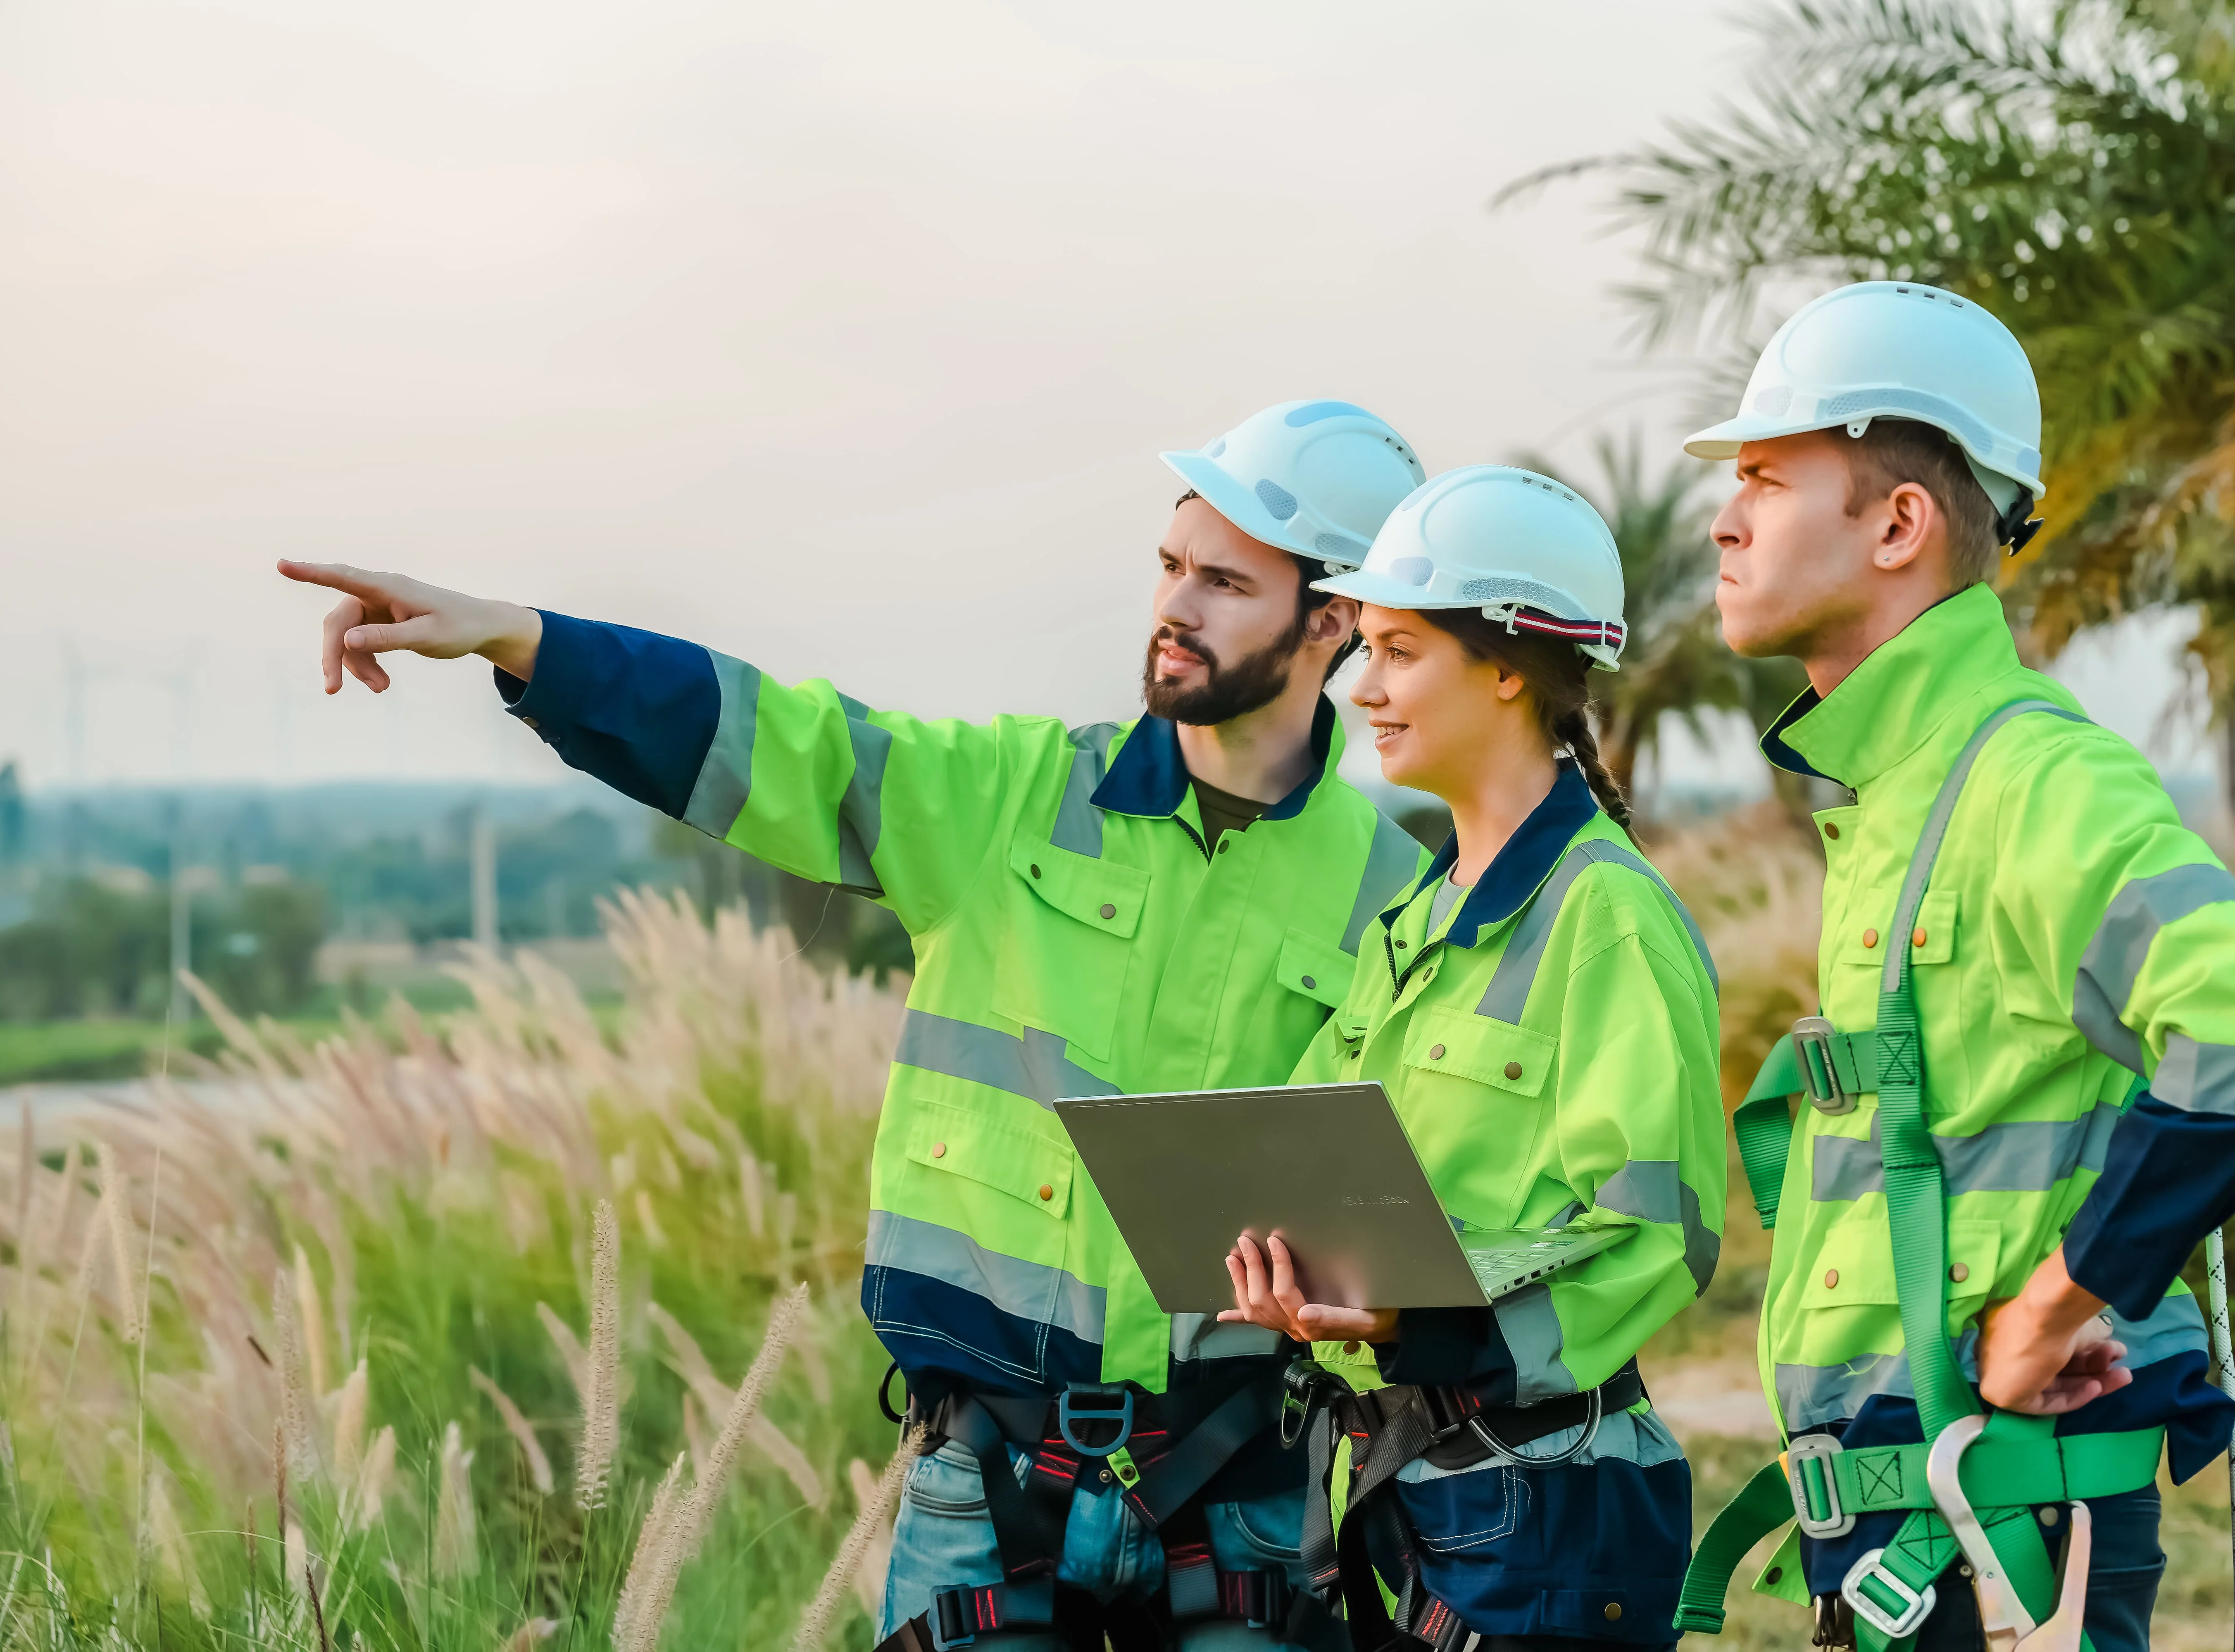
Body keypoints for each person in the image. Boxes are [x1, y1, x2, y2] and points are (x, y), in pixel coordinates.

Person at [279, 400, 1437, 1652]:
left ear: (1332, 622)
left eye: (1224, 582)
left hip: (1240, 1488)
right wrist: (524, 643)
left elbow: (1415, 1195)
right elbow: (777, 740)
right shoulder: (1010, 795)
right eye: (1170, 566)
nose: (1176, 607)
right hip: (985, 1482)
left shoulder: (1396, 890)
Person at [1665, 283, 2235, 1652]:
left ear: (1900, 525)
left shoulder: (2030, 777)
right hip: (1924, 1531)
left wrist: (2053, 1311)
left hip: (2004, 1538)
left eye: (1762, 478)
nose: (1723, 522)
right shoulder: (1903, 783)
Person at [1217, 465, 1727, 1652]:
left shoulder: (1608, 917)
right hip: (1430, 1487)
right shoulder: (1418, 919)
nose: (1366, 688)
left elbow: (1657, 1239)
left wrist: (1415, 1324)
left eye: (1400, 650)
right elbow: (1318, 1150)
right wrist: (1284, 1263)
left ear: (1509, 667)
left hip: (1548, 1500)